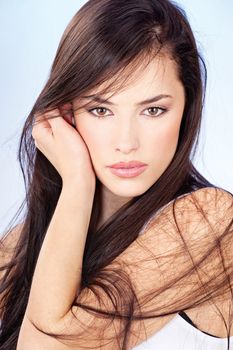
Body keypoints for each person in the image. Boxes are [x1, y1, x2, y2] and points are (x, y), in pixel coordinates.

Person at [0, 0, 232, 349]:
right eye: (101, 109)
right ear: (67, 112)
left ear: (186, 108)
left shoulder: (207, 221)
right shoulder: (21, 245)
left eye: (153, 110)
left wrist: (78, 180)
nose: (126, 142)